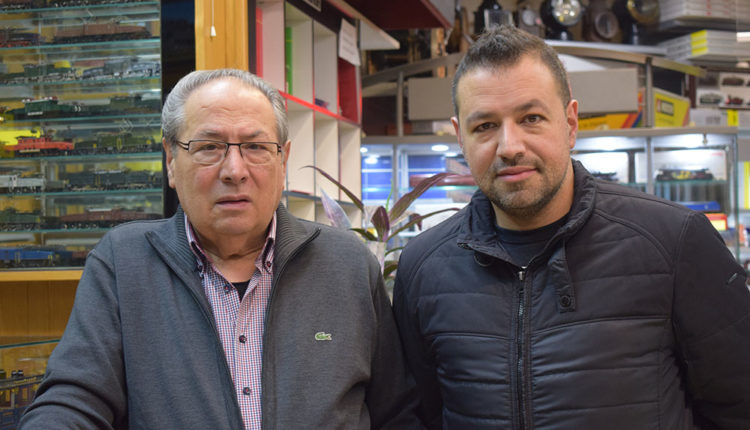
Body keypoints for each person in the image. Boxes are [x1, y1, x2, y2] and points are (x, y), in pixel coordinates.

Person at [392, 25, 750, 430]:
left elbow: (738, 405)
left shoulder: (675, 241)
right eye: (485, 126)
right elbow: (422, 415)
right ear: (460, 137)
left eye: (531, 118)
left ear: (571, 123)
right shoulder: (423, 268)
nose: (510, 146)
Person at [20, 69, 418, 429]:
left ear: (283, 161)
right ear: (171, 161)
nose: (234, 170)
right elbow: (74, 398)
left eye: (256, 147)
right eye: (209, 147)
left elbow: (397, 413)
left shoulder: (346, 265)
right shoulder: (124, 264)